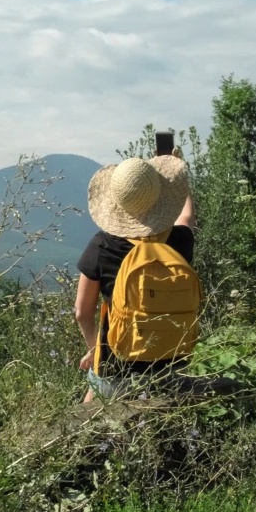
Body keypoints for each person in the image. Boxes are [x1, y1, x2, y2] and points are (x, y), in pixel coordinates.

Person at [74, 154, 197, 402]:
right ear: (160, 199)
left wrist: (93, 349)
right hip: (170, 369)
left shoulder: (102, 245)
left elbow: (82, 313)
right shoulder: (177, 242)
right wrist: (180, 181)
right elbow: (187, 217)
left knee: (87, 417)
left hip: (115, 373)